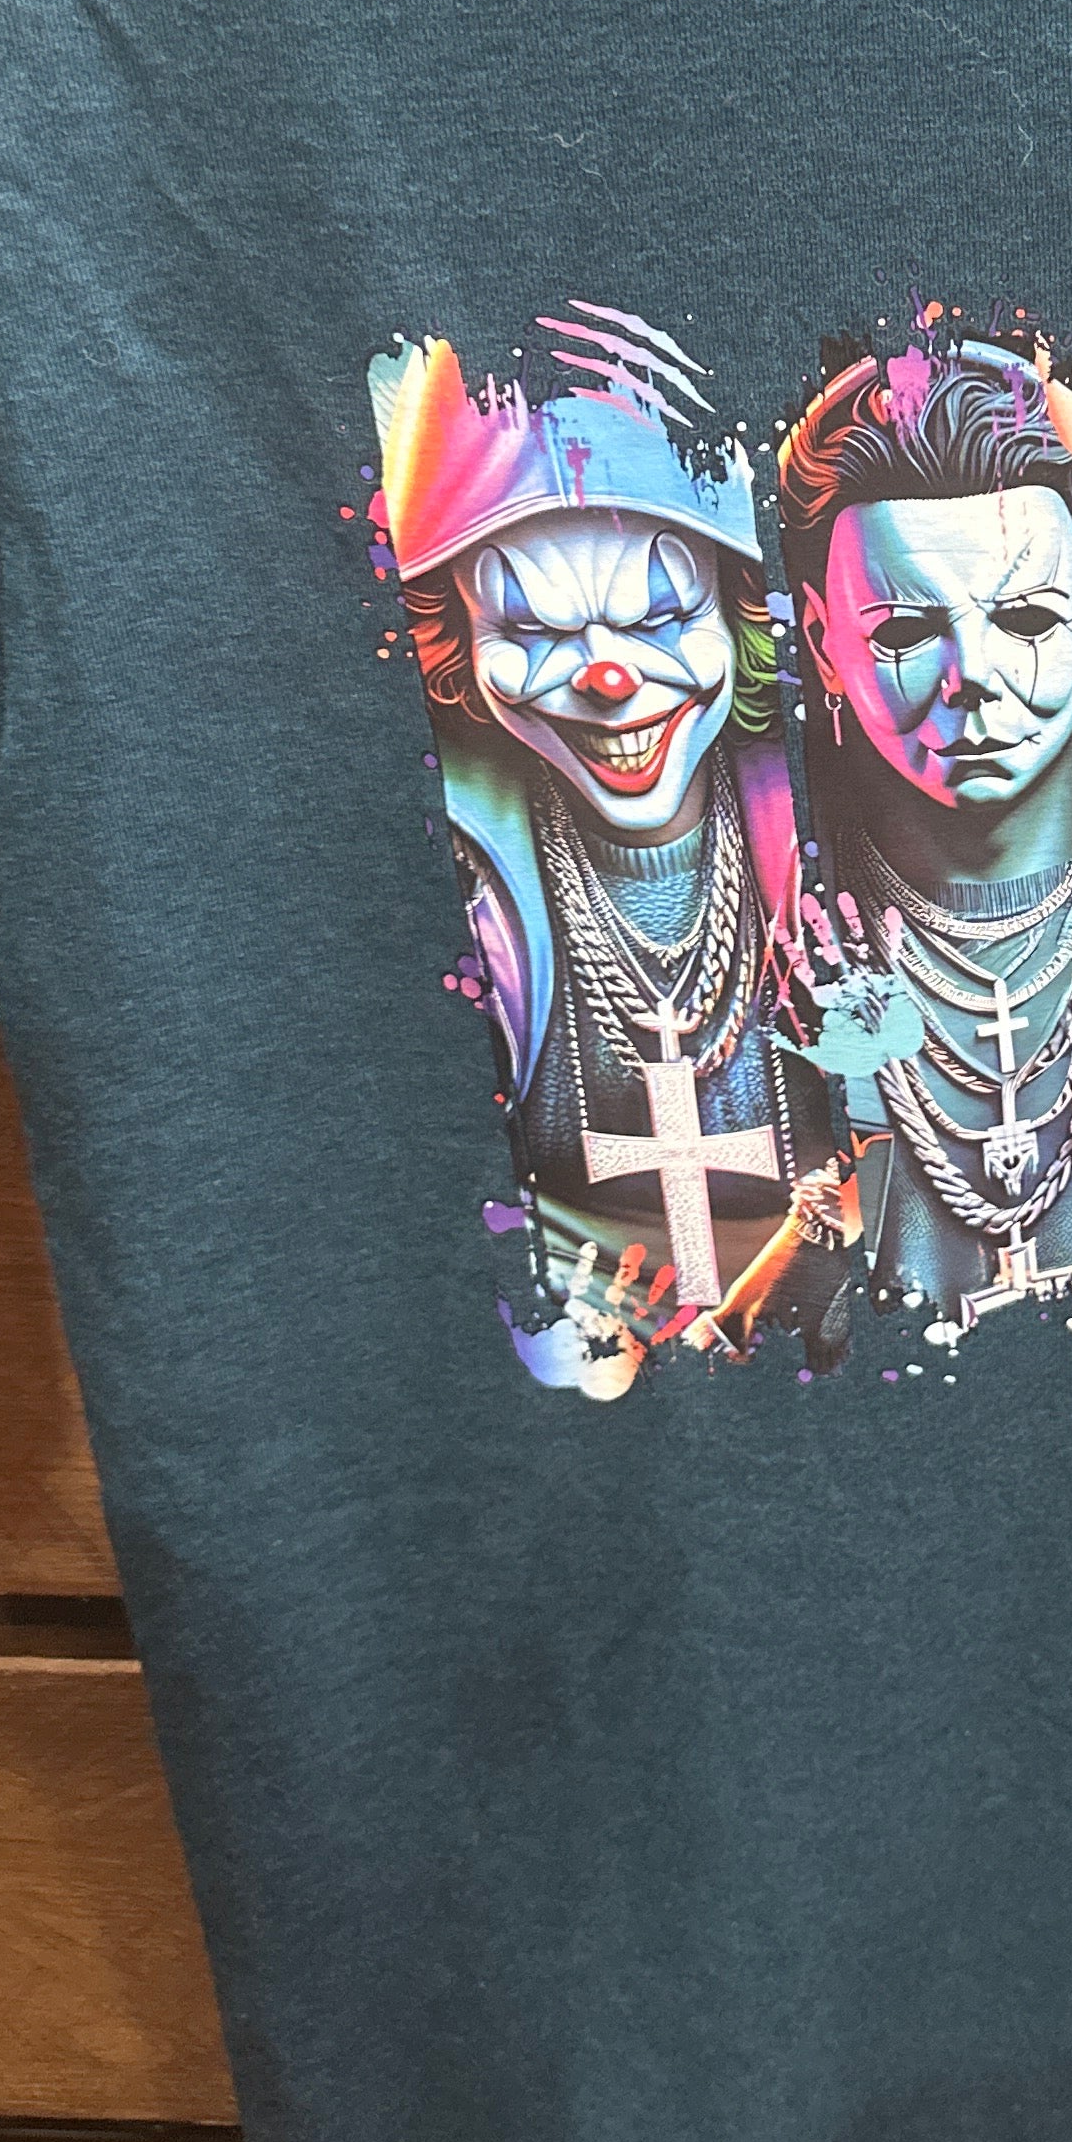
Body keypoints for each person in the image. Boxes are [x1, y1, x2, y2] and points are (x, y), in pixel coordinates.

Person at [369, 304, 843, 1395]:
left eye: (662, 618)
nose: (608, 678)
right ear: (459, 648)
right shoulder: (455, 895)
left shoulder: (837, 835)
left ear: (743, 616)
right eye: (532, 632)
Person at [778, 337, 1072, 1330]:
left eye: (1026, 619)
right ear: (821, 643)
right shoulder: (790, 944)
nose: (971, 676)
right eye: (904, 631)